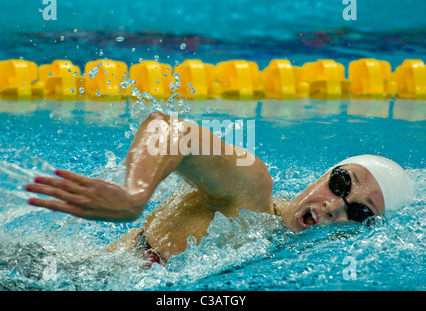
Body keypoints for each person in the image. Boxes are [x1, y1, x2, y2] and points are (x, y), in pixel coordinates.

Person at [24, 111, 414, 265]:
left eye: (360, 213)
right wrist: (134, 195)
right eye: (341, 183)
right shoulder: (250, 190)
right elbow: (171, 130)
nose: (335, 207)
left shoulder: (291, 258)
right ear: (322, 175)